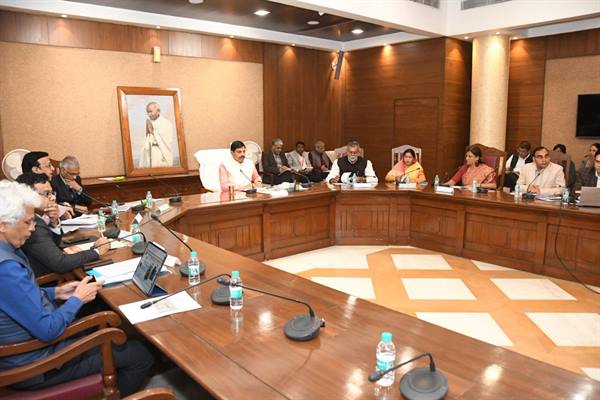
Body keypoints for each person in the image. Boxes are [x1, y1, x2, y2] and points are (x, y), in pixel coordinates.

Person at [0, 180, 153, 396]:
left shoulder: (7, 253)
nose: (33, 228)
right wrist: (77, 299)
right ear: (3, 225)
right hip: (36, 365)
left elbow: (16, 299)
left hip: (26, 352)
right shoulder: (6, 268)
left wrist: (56, 292)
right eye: (27, 222)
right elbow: (48, 330)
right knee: (140, 355)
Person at [16, 172, 109, 277]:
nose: (53, 198)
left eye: (52, 193)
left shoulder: (31, 216)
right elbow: (60, 263)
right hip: (45, 280)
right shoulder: (32, 224)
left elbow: (53, 247)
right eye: (46, 194)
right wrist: (97, 251)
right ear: (28, 197)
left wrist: (54, 223)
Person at [22, 151, 73, 220]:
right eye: (48, 165)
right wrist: (61, 210)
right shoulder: (23, 191)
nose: (53, 168)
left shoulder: (50, 183)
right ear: (36, 170)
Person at [140, 102, 174, 168]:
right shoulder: (150, 122)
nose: (148, 114)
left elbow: (166, 141)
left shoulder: (166, 123)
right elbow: (148, 138)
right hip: (149, 153)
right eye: (147, 112)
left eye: (150, 112)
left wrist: (151, 130)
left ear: (158, 111)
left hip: (160, 153)